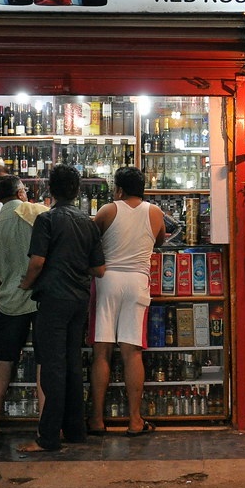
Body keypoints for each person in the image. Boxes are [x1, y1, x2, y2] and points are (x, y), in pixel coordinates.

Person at [18, 165, 105, 453]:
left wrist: (26, 284)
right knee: (72, 364)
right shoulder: (88, 223)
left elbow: (37, 262)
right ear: (77, 190)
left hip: (53, 299)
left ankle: (48, 437)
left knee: (53, 368)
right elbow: (99, 269)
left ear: (50, 189)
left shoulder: (47, 220)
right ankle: (75, 430)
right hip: (79, 300)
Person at [89, 167, 166, 436]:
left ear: (119, 189)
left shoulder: (107, 210)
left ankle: (97, 420)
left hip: (106, 281)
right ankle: (134, 421)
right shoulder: (155, 213)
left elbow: (91, 241)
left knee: (102, 351)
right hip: (138, 282)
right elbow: (160, 240)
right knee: (132, 353)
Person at [0, 175, 49, 439]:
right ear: (20, 193)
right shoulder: (39, 214)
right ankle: (44, 424)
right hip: (40, 300)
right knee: (43, 362)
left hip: (9, 303)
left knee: (3, 362)